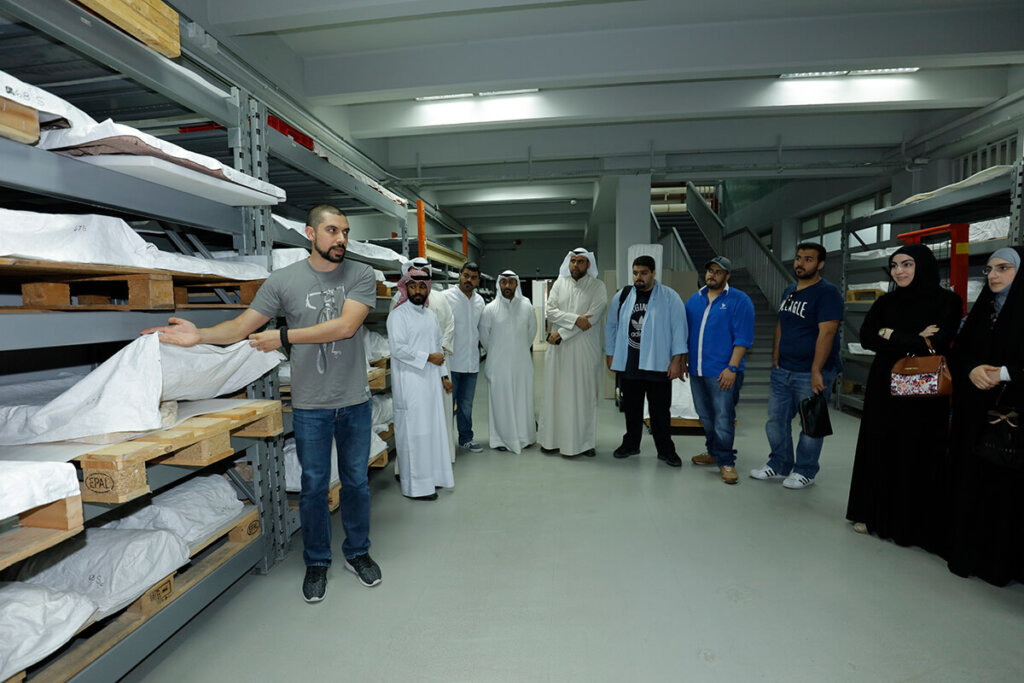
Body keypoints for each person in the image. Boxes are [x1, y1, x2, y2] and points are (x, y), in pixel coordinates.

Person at [142, 204, 381, 603]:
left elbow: (346, 326)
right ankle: (317, 561)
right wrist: (199, 335)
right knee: (313, 486)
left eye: (345, 232)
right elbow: (241, 326)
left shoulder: (360, 273)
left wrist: (283, 336)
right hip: (310, 404)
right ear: (311, 234)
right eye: (332, 231)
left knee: (356, 481)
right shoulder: (284, 280)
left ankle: (358, 552)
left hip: (354, 400)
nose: (341, 239)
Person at [845, 244, 962, 551]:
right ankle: (873, 515)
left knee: (917, 450)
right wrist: (913, 337)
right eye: (894, 265)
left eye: (907, 264)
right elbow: (867, 337)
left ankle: (912, 525)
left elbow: (938, 343)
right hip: (885, 386)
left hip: (924, 390)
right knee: (881, 446)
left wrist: (890, 334)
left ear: (922, 265)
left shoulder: (947, 301)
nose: (899, 271)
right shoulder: (886, 301)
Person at [946, 247, 1024, 586]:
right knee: (971, 482)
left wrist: (1004, 373)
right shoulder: (983, 312)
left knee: (1005, 492)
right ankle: (968, 552)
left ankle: (1000, 563)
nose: (993, 275)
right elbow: (958, 353)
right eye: (989, 269)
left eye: (1003, 268)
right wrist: (971, 369)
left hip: (1013, 422)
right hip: (975, 415)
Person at [751, 242, 843, 489]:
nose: (801, 263)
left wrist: (816, 370)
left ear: (820, 264)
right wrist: (776, 354)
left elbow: (827, 333)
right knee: (776, 421)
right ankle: (779, 464)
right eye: (798, 258)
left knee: (810, 425)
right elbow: (782, 323)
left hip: (811, 372)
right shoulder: (790, 290)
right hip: (784, 369)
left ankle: (805, 471)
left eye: (808, 259)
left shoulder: (828, 293)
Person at [605, 255, 687, 467]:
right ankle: (631, 444)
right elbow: (611, 325)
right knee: (631, 409)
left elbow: (680, 329)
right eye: (635, 273)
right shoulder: (623, 296)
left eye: (643, 273)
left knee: (660, 412)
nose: (638, 277)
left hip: (658, 365)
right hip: (629, 364)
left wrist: (677, 361)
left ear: (653, 273)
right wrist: (610, 354)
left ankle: (666, 450)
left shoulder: (670, 297)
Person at [684, 256, 755, 484]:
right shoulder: (694, 300)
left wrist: (732, 368)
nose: (712, 275)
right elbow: (685, 334)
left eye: (718, 271)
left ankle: (726, 461)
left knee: (723, 418)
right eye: (710, 270)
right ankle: (714, 452)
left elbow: (743, 339)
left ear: (727, 276)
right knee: (705, 417)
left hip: (723, 372)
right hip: (697, 371)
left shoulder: (739, 300)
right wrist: (683, 361)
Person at [387, 266, 455, 501]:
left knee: (431, 432)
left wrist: (444, 376)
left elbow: (437, 347)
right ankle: (416, 488)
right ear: (406, 288)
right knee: (415, 435)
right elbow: (398, 349)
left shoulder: (431, 316)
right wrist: (427, 358)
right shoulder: (398, 315)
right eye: (413, 286)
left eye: (422, 287)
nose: (417, 291)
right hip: (410, 385)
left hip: (431, 385)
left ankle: (432, 479)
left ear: (427, 289)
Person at [537, 248, 608, 458]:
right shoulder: (560, 283)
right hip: (559, 351)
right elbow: (551, 311)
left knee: (583, 396)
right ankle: (551, 441)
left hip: (584, 350)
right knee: (556, 394)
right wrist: (576, 319)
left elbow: (592, 318)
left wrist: (561, 333)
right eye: (573, 261)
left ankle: (584, 444)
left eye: (580, 261)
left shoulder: (598, 286)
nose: (575, 265)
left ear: (588, 264)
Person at [479, 270, 538, 453]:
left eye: (511, 282)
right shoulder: (490, 309)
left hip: (522, 363)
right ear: (499, 284)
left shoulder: (527, 307)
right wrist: (498, 353)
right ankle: (501, 439)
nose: (507, 285)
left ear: (516, 284)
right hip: (498, 365)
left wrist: (518, 350)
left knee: (522, 400)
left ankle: (524, 437)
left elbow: (531, 333)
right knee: (501, 401)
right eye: (504, 282)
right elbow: (484, 337)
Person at [443, 262, 486, 453]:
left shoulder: (480, 301)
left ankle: (466, 439)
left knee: (466, 406)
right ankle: (444, 442)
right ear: (460, 275)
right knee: (447, 405)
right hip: (451, 362)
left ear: (478, 280)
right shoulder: (446, 297)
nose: (469, 280)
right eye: (466, 275)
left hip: (471, 363)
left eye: (473, 277)